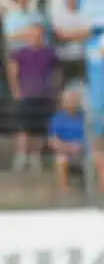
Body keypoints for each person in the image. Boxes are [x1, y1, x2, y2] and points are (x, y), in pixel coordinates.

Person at [6, 23, 60, 171]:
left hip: (44, 95)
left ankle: (35, 156)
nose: (36, 38)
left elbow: (56, 73)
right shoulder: (20, 53)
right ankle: (21, 156)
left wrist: (55, 91)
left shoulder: (50, 53)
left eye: (39, 35)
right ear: (27, 37)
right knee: (23, 128)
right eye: (32, 35)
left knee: (40, 129)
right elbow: (12, 72)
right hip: (26, 95)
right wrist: (16, 90)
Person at [48, 87, 104, 196]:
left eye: (74, 101)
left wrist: (87, 147)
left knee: (101, 157)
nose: (72, 104)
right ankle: (64, 190)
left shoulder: (84, 117)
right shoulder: (57, 119)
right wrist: (69, 147)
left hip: (84, 150)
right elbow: (53, 142)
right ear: (63, 103)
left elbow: (92, 137)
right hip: (67, 152)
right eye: (70, 101)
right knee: (60, 160)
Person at [50, 0, 93, 86]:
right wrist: (78, 34)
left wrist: (67, 34)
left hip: (80, 59)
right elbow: (59, 35)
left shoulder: (85, 14)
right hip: (62, 59)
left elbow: (88, 34)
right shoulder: (58, 15)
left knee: (82, 90)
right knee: (60, 91)